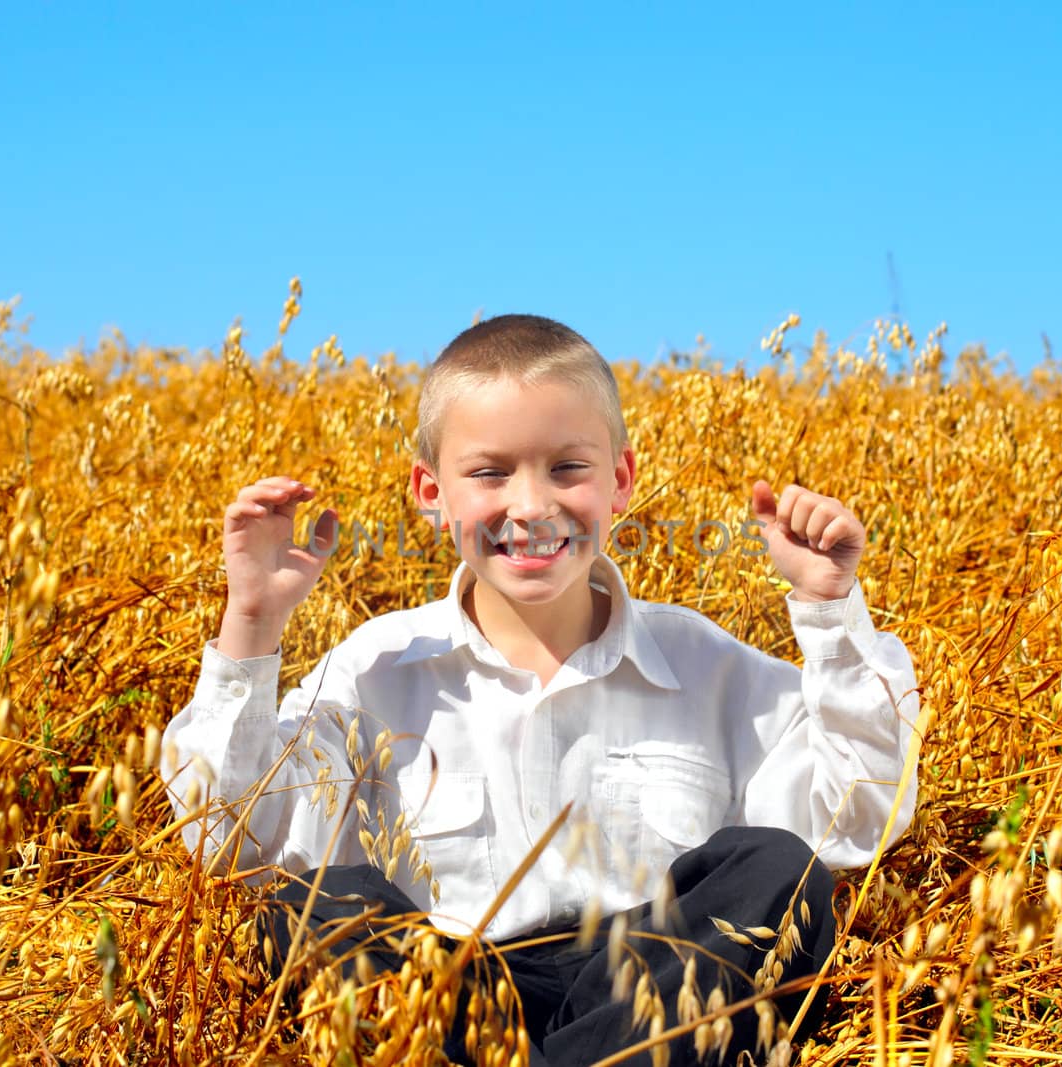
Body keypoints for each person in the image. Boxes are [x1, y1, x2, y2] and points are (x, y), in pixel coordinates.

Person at [162, 314, 920, 1065]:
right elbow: (231, 838)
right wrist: (252, 620)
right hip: (451, 990)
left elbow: (859, 817)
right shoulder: (377, 666)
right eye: (490, 472)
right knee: (306, 908)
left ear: (619, 480)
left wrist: (829, 608)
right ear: (432, 492)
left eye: (567, 468)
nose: (530, 506)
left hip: (648, 996)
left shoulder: (704, 664)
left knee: (781, 875)